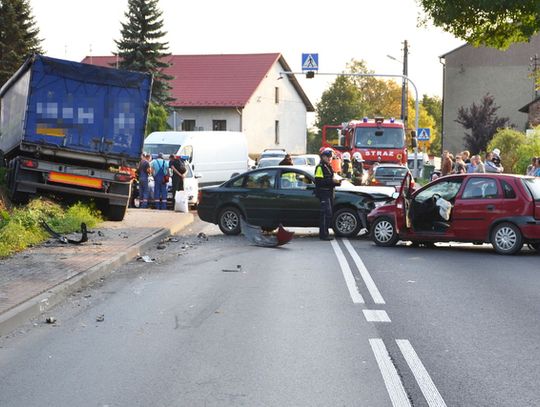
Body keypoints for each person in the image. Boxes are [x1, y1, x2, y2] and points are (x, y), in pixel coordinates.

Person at [314, 149, 341, 241]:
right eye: (328, 157)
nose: (330, 159)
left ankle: (325, 233)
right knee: (325, 214)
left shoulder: (328, 166)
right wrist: (332, 181)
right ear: (323, 157)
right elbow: (318, 181)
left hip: (329, 193)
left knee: (328, 214)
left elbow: (329, 180)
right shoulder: (320, 167)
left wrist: (337, 182)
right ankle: (323, 235)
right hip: (323, 193)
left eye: (331, 157)